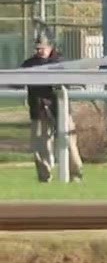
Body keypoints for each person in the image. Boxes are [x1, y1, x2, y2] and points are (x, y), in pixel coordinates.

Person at [18, 30, 83, 183]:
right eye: (38, 48)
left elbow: (70, 82)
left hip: (59, 108)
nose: (40, 51)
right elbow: (17, 81)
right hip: (38, 109)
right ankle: (44, 176)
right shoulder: (30, 64)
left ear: (51, 47)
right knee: (40, 145)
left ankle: (76, 175)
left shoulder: (60, 63)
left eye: (43, 47)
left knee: (69, 142)